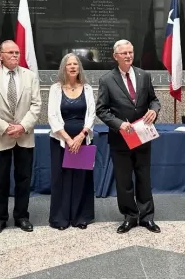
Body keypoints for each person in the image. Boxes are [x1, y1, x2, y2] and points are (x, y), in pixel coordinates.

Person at [96, 40, 160, 233]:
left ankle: (147, 217)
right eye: (123, 53)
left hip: (142, 136)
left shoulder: (144, 75)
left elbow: (154, 100)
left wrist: (154, 111)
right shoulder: (107, 80)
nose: (128, 56)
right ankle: (130, 217)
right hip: (121, 139)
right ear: (115, 56)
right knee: (124, 181)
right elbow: (101, 109)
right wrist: (119, 124)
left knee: (144, 178)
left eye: (130, 52)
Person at [0, 40, 41, 235]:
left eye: (17, 52)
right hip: (0, 136)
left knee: (23, 178)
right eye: (10, 52)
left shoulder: (30, 76)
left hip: (24, 136)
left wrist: (22, 126)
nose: (15, 55)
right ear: (0, 55)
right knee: (0, 180)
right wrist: (5, 128)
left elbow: (36, 105)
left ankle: (22, 216)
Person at [47, 53, 96, 230]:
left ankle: (81, 217)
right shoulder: (55, 88)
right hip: (61, 141)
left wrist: (81, 136)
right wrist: (68, 139)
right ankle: (61, 219)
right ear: (64, 68)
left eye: (76, 64)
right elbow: (52, 115)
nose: (73, 67)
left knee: (81, 178)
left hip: (83, 140)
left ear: (79, 68)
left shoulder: (88, 88)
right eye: (69, 64)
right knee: (62, 178)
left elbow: (91, 115)